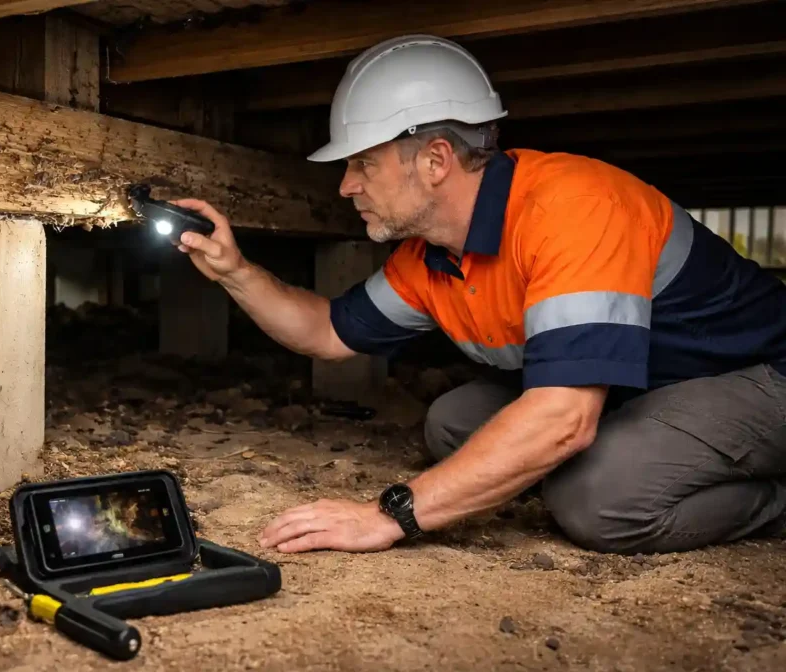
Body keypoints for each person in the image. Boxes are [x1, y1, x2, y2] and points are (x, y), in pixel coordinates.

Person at [169, 35, 786, 556]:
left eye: (363, 163)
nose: (346, 185)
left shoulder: (572, 209)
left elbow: (565, 417)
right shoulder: (434, 255)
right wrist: (233, 270)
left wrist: (390, 515)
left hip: (756, 374)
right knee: (455, 423)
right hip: (650, 385)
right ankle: (638, 450)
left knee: (598, 499)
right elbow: (327, 332)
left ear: (435, 159)